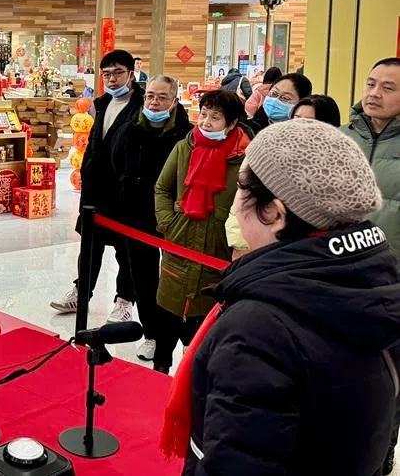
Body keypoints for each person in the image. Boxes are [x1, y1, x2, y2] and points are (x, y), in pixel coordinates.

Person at [163, 119, 400, 476]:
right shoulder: (375, 284)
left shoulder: (257, 330)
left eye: (241, 189)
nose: (234, 202)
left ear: (274, 212)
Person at [153, 90, 250, 374]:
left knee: (206, 321)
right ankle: (159, 370)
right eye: (204, 115)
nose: (206, 123)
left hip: (218, 247)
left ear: (232, 124)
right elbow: (162, 188)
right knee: (167, 314)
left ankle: (195, 377)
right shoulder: (186, 146)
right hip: (179, 241)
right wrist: (167, 223)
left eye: (215, 117)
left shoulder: (245, 157)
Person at [51, 49, 143, 321]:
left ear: (131, 74)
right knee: (90, 246)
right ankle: (81, 294)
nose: (112, 79)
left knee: (126, 250)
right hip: (96, 189)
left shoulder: (142, 106)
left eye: (118, 73)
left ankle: (125, 301)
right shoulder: (101, 103)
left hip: (126, 192)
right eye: (107, 74)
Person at [342, 57, 400, 474]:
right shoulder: (342, 139)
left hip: (391, 289)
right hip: (337, 283)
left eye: (389, 87)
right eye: (371, 83)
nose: (375, 93)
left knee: (387, 393)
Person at [109, 75, 192, 365]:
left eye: (162, 97)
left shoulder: (186, 135)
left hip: (174, 219)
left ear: (174, 101)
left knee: (174, 279)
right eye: (150, 96)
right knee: (143, 278)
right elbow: (116, 163)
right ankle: (152, 333)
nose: (154, 102)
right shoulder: (130, 129)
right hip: (135, 215)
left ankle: (182, 337)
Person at [247, 72, 312, 133]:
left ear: (300, 103)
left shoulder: (305, 134)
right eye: (274, 93)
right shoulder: (248, 129)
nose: (275, 100)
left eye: (285, 98)